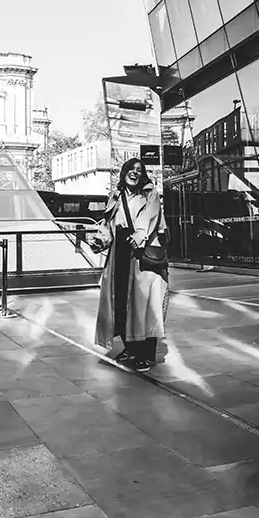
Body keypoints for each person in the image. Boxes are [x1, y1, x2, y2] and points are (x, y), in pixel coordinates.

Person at [90, 158, 168, 373]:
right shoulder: (115, 197)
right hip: (119, 255)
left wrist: (140, 235)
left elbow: (150, 218)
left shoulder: (150, 194)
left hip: (141, 254)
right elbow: (107, 224)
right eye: (131, 169)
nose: (134, 173)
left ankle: (144, 354)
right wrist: (100, 240)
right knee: (120, 302)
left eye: (139, 170)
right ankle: (130, 346)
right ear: (124, 172)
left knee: (144, 304)